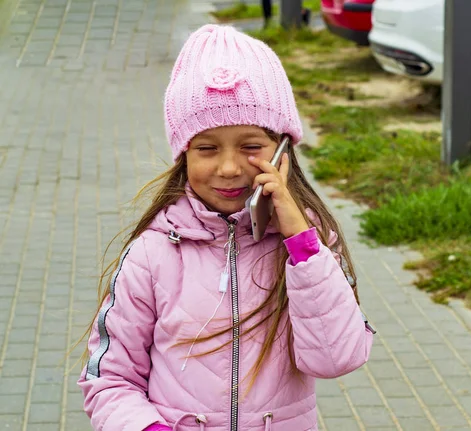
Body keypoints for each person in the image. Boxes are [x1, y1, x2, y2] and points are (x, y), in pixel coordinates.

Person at [77, 24, 374, 431]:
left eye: (252, 146)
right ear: (183, 155)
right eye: (207, 148)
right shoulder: (153, 253)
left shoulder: (310, 245)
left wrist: (302, 246)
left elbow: (336, 357)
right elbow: (108, 379)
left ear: (284, 151)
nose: (230, 167)